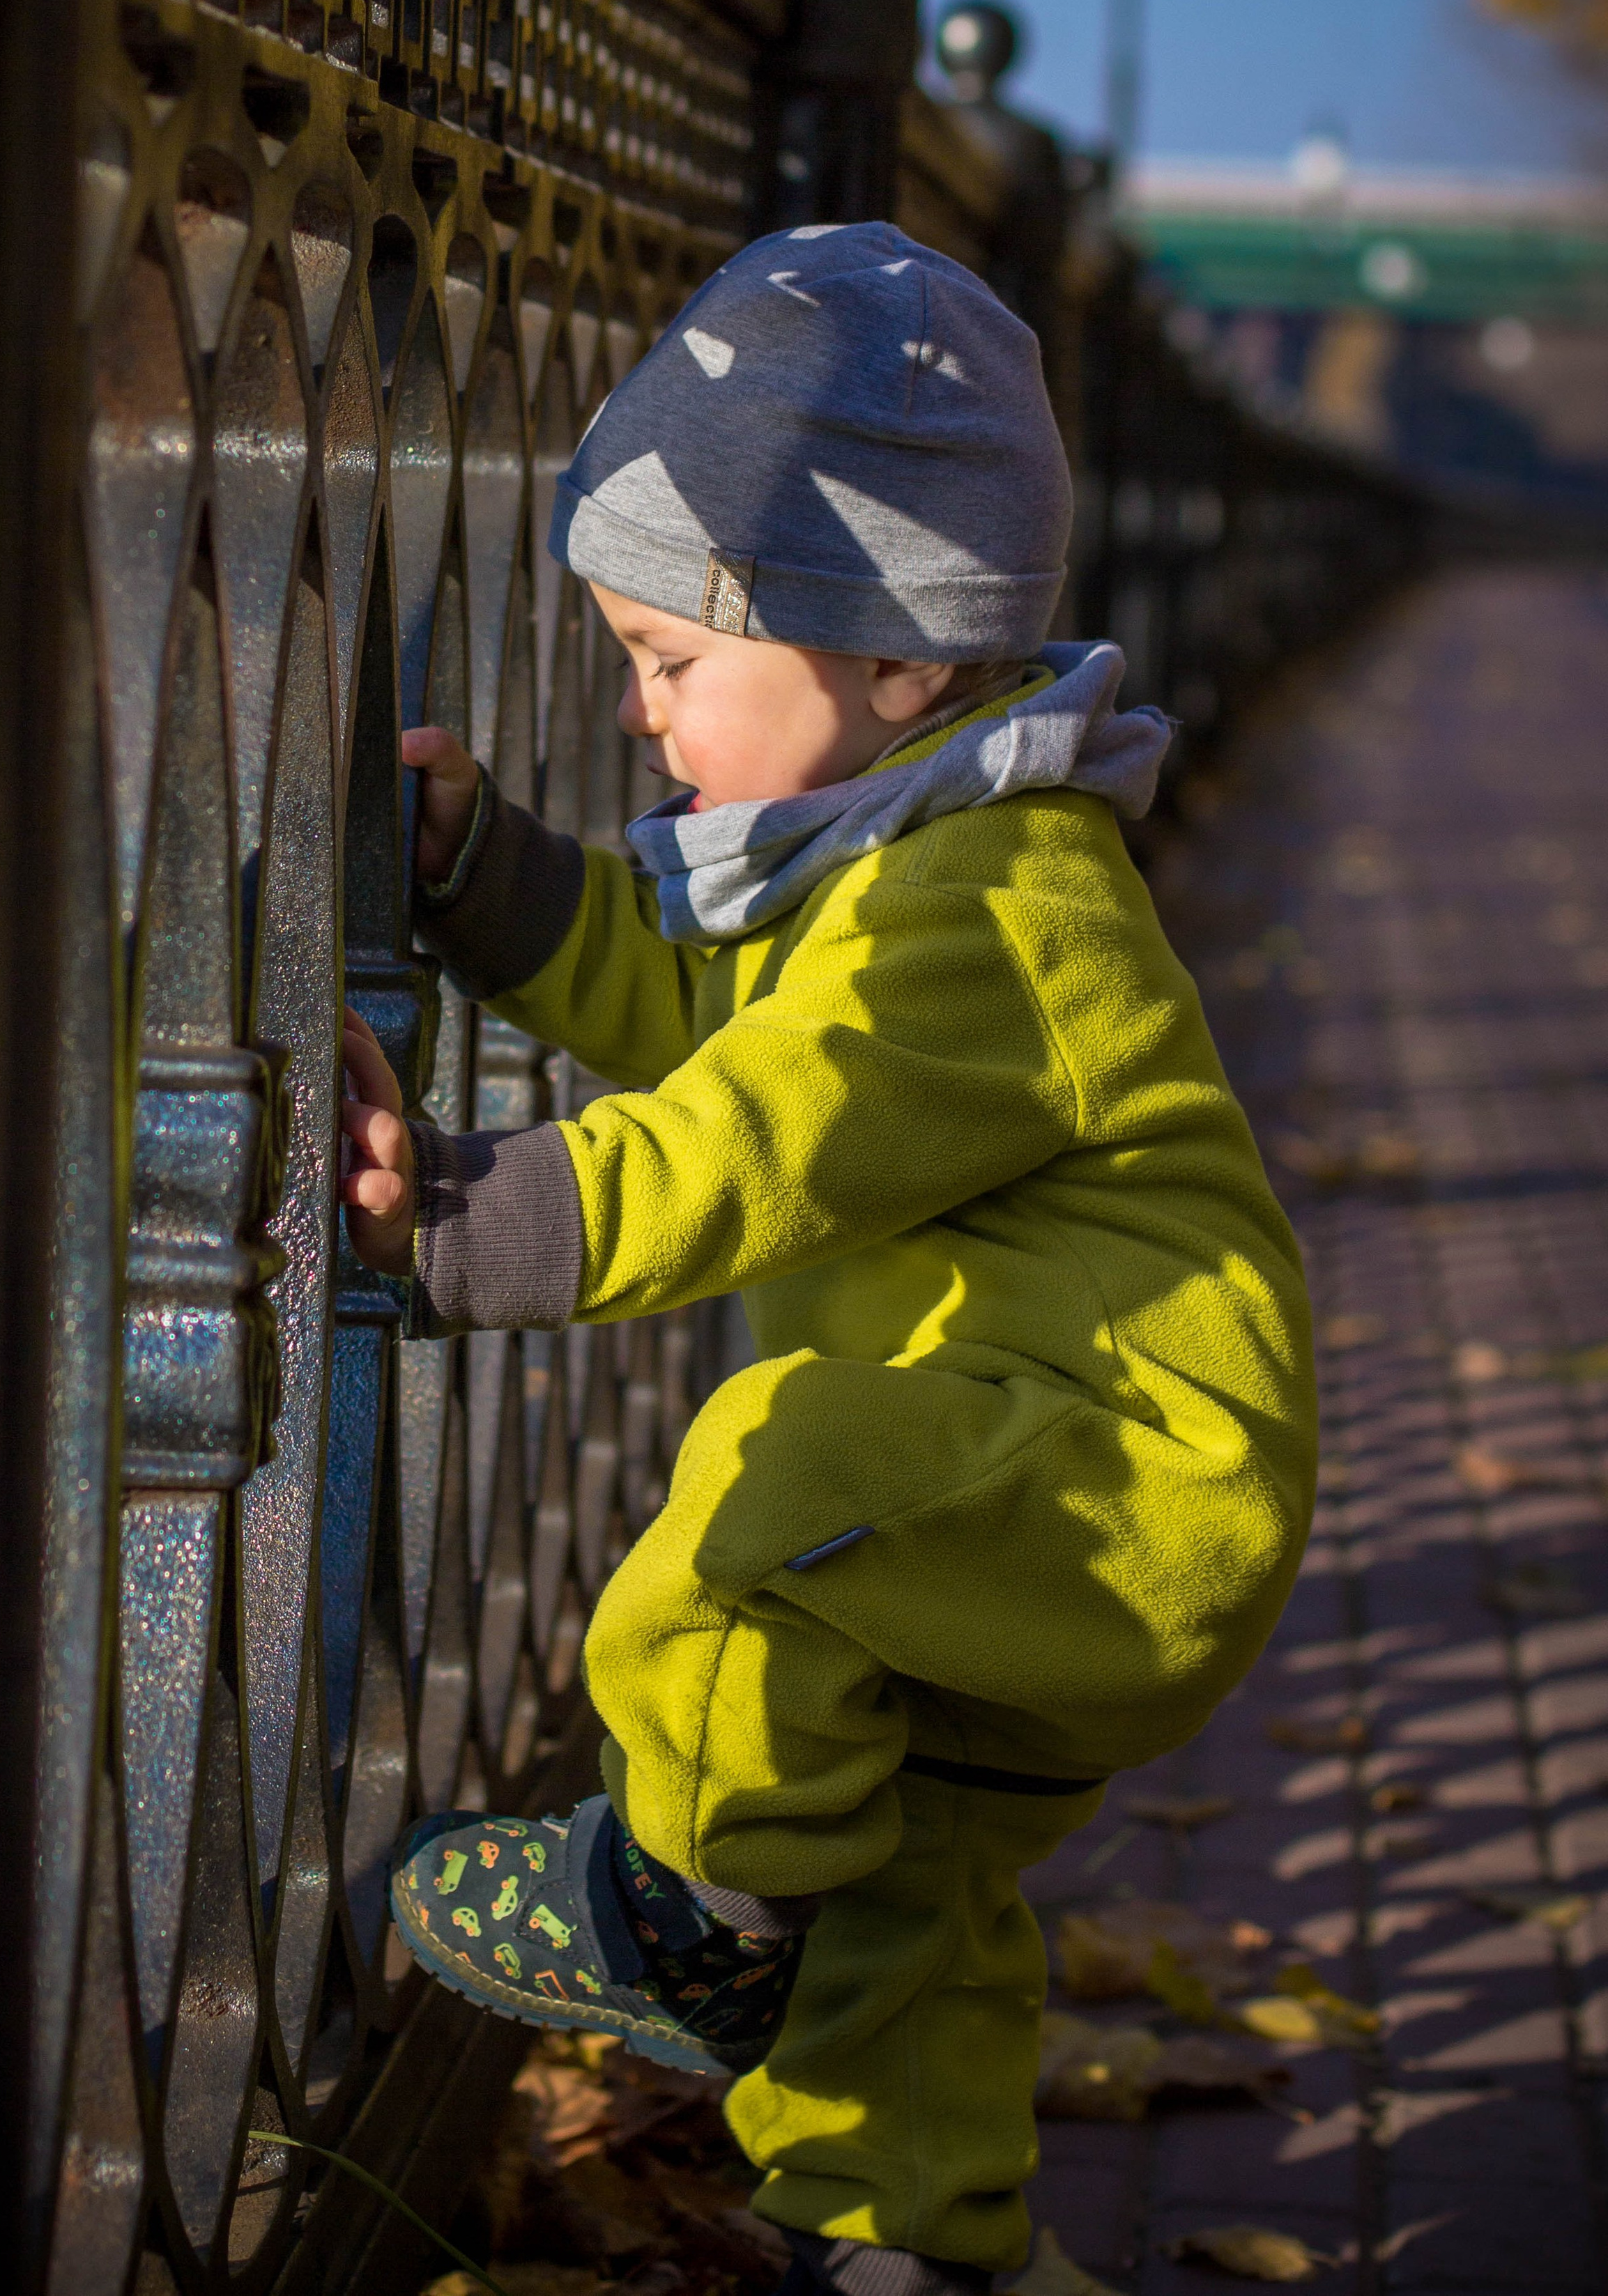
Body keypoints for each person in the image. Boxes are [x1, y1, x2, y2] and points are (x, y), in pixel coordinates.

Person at [339, 222, 1317, 2296]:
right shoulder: (893, 857)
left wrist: (459, 1216)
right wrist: (490, 881)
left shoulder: (1001, 909)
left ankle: (677, 1915)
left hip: (1114, 1477)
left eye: (675, 661)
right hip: (1014, 1501)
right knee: (899, 1912)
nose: (641, 710)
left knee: (769, 1487)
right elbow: (708, 1025)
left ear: (897, 660)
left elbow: (763, 1134)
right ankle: (909, 2252)